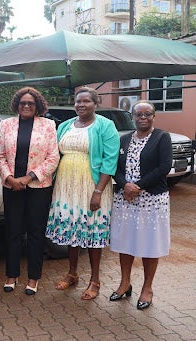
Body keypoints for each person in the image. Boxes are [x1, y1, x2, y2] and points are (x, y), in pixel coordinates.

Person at [45, 87, 119, 300]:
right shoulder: (66, 125)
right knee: (72, 230)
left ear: (96, 104)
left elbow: (110, 160)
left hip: (92, 186)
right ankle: (72, 273)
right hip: (66, 187)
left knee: (92, 233)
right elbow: (54, 154)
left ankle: (95, 279)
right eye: (78, 101)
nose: (81, 105)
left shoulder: (105, 125)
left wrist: (98, 192)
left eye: (87, 101)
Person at [109, 100, 172, 310]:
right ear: (132, 116)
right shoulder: (124, 139)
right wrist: (124, 184)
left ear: (154, 116)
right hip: (125, 200)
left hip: (151, 200)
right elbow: (114, 167)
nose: (142, 118)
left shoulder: (162, 137)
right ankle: (125, 283)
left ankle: (147, 288)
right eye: (138, 114)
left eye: (147, 114)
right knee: (125, 242)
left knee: (149, 244)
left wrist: (136, 187)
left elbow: (164, 167)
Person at [0, 87, 60, 295]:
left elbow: (53, 158)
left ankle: (33, 278)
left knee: (35, 232)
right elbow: (0, 156)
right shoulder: (5, 124)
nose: (26, 106)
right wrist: (9, 178)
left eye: (30, 103)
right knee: (12, 232)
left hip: (38, 187)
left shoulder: (48, 125)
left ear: (38, 106)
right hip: (12, 186)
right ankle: (11, 275)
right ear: (17, 104)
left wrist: (28, 177)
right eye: (22, 103)